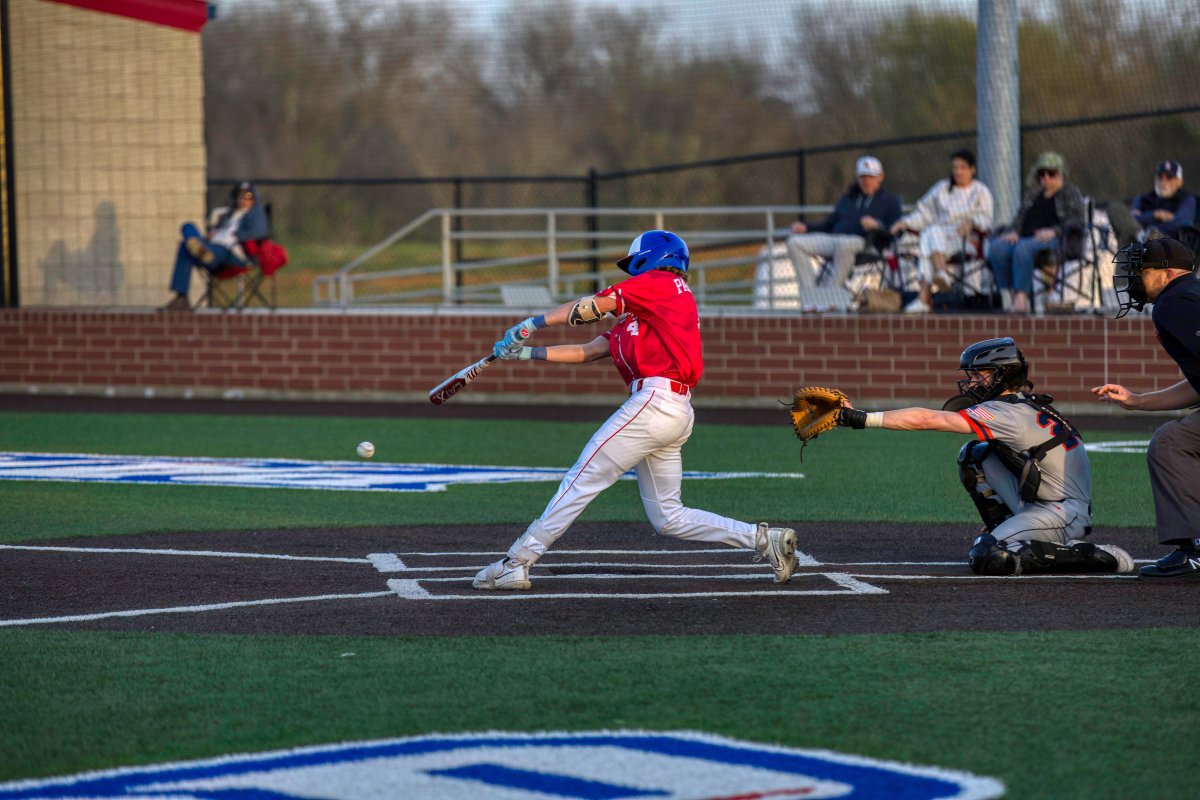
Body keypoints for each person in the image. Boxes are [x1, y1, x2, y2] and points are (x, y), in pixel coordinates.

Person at [473, 230, 798, 590]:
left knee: (583, 477)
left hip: (655, 403)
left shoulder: (662, 283)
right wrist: (526, 353)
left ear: (654, 258)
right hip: (670, 410)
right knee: (668, 517)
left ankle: (517, 561)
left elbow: (590, 307)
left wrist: (532, 323)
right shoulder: (644, 313)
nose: (633, 272)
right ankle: (762, 539)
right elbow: (588, 350)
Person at [837, 337, 1133, 576]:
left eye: (980, 374)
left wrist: (862, 418)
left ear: (1003, 375)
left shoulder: (1006, 412)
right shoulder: (1019, 405)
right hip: (1047, 502)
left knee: (989, 556)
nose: (972, 382)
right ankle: (1009, 529)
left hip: (1063, 513)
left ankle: (1098, 556)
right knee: (975, 455)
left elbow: (927, 419)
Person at [1093, 238, 1200, 578]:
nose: (1135, 277)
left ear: (1168, 274)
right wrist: (1137, 400)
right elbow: (1196, 386)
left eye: (1143, 270)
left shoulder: (1173, 303)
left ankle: (1195, 549)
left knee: (1170, 444)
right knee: (1173, 441)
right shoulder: (1188, 294)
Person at [889, 149, 994, 313]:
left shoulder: (981, 191)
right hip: (940, 238)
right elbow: (924, 213)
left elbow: (987, 219)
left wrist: (972, 222)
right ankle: (941, 273)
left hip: (965, 240)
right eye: (955, 167)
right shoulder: (942, 188)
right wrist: (904, 222)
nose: (958, 172)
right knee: (930, 233)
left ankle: (924, 297)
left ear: (972, 169)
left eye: (963, 167)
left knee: (928, 238)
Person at [985, 152, 1087, 315]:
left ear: (1061, 173)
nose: (1046, 178)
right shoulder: (1033, 195)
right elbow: (1019, 218)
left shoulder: (1070, 192)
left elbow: (1078, 220)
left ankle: (1021, 299)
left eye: (1051, 173)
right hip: (1026, 237)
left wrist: (1054, 231)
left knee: (1023, 248)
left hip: (1058, 241)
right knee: (998, 248)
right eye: (1042, 174)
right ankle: (1014, 296)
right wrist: (1013, 232)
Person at [785, 155, 903, 291]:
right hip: (835, 239)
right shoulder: (848, 199)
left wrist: (877, 225)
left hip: (865, 243)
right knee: (794, 243)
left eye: (871, 177)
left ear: (880, 177)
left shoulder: (890, 201)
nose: (866, 181)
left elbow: (897, 231)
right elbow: (829, 223)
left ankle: (832, 293)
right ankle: (811, 293)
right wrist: (806, 227)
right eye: (863, 177)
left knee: (846, 245)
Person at [162, 181, 270, 311]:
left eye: (247, 196)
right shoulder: (227, 215)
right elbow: (214, 229)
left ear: (253, 198)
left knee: (186, 247)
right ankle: (183, 296)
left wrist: (236, 234)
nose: (242, 199)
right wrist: (212, 233)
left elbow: (259, 232)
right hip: (212, 244)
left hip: (230, 252)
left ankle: (183, 294)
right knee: (187, 230)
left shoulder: (256, 214)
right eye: (239, 196)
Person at [1106, 160, 1197, 247]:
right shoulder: (1144, 198)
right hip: (1136, 246)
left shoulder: (1187, 199)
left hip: (1167, 248)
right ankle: (1141, 236)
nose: (1163, 182)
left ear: (1179, 182)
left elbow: (1181, 223)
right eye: (1160, 177)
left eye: (1169, 178)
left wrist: (1151, 229)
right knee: (1115, 208)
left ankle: (1145, 237)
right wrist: (1155, 215)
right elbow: (1129, 220)